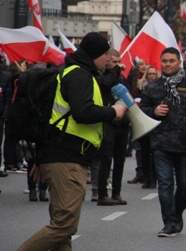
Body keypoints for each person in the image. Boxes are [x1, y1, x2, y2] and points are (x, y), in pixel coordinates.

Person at [17, 32, 127, 251]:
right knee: (63, 226)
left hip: (61, 155)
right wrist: (112, 111)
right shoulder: (80, 75)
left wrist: (41, 160)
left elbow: (54, 121)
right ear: (96, 54)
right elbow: (82, 113)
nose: (108, 58)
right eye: (106, 54)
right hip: (66, 159)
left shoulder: (76, 73)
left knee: (62, 231)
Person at [139, 47, 186, 237]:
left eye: (171, 61)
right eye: (164, 61)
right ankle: (169, 222)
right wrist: (153, 111)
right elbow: (140, 111)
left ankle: (177, 214)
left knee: (185, 185)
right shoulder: (153, 87)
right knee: (165, 184)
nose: (167, 64)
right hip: (161, 143)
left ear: (179, 62)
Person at [95, 49, 130, 206]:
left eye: (119, 62)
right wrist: (115, 71)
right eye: (115, 62)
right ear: (107, 61)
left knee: (120, 160)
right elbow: (105, 84)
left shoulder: (120, 77)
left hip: (122, 123)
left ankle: (116, 192)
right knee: (106, 159)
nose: (119, 65)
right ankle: (102, 193)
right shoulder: (101, 76)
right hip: (108, 121)